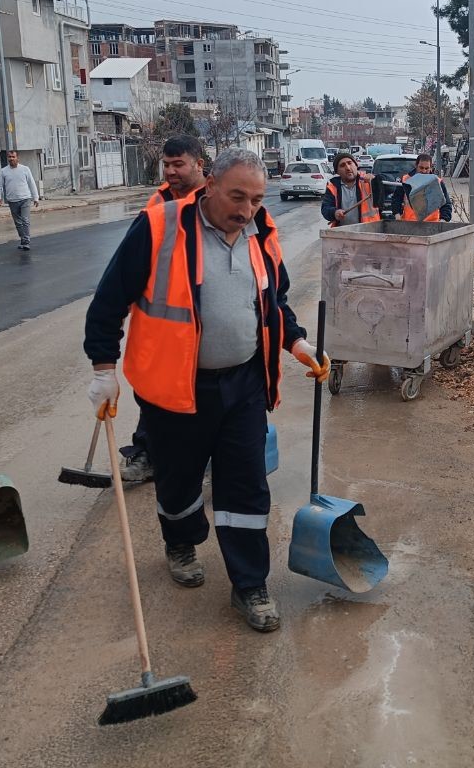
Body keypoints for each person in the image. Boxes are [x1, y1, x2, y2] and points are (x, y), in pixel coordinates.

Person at [84, 148, 329, 633]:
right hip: (176, 387)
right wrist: (103, 369)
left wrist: (296, 342)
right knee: (178, 482)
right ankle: (181, 542)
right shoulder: (160, 228)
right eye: (237, 195)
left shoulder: (263, 235)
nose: (246, 208)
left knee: (246, 484)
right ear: (210, 183)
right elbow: (109, 301)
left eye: (256, 199)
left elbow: (272, 302)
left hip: (243, 384)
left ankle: (250, 583)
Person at [120, 134, 210, 485]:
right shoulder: (155, 204)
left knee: (201, 395)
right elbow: (132, 260)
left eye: (178, 164)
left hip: (204, 319)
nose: (170, 171)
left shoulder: (213, 201)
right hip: (163, 321)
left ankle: (200, 457)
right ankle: (147, 453)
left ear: (199, 164)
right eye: (166, 164)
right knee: (155, 394)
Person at [0, 150, 39, 251]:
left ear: (17, 158)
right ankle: (23, 239)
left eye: (13, 157)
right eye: (9, 157)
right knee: (18, 222)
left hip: (25, 198)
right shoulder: (4, 171)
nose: (11, 159)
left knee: (25, 220)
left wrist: (35, 197)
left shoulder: (25, 169)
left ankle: (26, 241)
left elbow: (31, 183)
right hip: (12, 200)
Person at [321, 151, 381, 227]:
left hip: (369, 231)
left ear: (356, 165)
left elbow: (389, 188)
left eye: (350, 163)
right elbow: (325, 208)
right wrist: (334, 212)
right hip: (343, 233)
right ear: (337, 172)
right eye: (342, 165)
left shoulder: (369, 181)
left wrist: (376, 181)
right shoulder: (332, 187)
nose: (348, 168)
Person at [393, 152, 453, 222]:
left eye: (427, 168)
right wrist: (397, 214)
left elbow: (446, 203)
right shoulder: (405, 180)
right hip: (410, 224)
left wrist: (443, 219)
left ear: (431, 168)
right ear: (416, 166)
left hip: (432, 224)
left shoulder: (438, 182)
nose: (424, 171)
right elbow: (396, 199)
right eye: (421, 168)